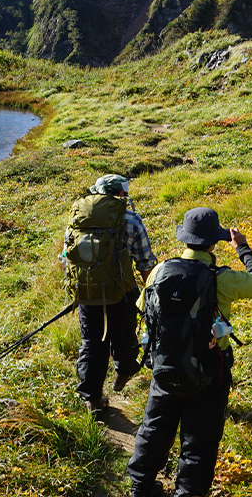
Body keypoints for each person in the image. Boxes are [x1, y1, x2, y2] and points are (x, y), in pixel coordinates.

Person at [127, 207, 252, 497]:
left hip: (164, 367)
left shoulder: (160, 271)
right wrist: (243, 249)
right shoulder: (222, 278)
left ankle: (140, 488)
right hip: (210, 373)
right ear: (214, 242)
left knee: (154, 429)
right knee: (200, 438)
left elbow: (141, 309)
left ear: (185, 239)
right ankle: (188, 491)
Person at [65, 174, 158, 414]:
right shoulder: (131, 219)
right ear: (122, 194)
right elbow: (146, 263)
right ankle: (123, 373)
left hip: (87, 293)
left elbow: (68, 258)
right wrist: (152, 297)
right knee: (125, 336)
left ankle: (92, 399)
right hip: (122, 292)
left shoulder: (78, 216)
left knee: (91, 343)